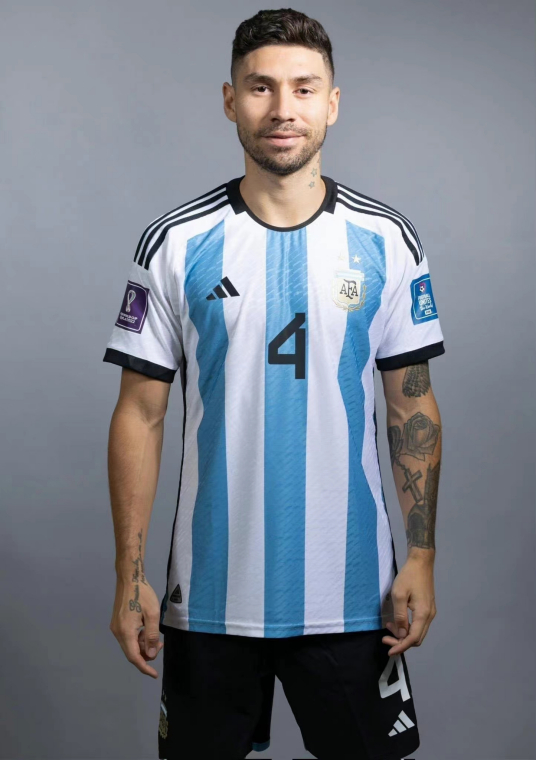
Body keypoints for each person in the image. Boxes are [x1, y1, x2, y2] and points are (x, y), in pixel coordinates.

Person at [104, 8, 444, 760]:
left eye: (303, 87)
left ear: (333, 103)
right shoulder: (175, 242)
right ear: (230, 100)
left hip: (355, 599)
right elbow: (140, 416)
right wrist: (131, 577)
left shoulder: (387, 240)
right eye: (260, 87)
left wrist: (420, 557)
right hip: (209, 600)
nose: (283, 108)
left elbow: (410, 404)